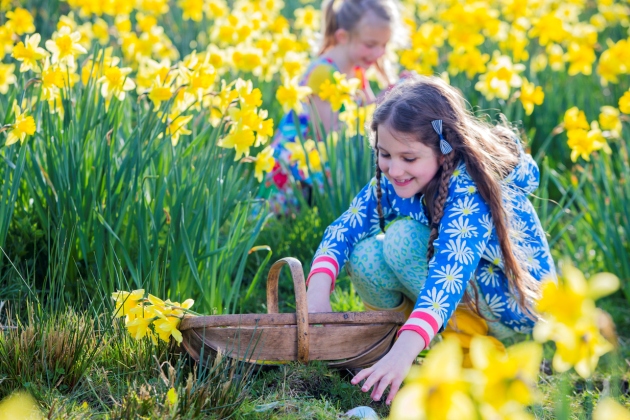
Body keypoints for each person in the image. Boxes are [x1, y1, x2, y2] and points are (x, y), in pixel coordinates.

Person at [306, 75, 556, 404]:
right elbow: (347, 225)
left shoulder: (469, 189)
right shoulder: (400, 177)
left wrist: (411, 344)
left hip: (512, 310)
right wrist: (317, 291)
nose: (394, 169)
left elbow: (448, 275)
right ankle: (383, 350)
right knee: (366, 253)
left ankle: (471, 357)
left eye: (408, 158)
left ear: (444, 150)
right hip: (470, 296)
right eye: (385, 154)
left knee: (400, 240)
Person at [264, 0, 403, 214]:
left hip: (317, 165)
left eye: (383, 45)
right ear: (342, 37)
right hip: (294, 168)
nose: (378, 54)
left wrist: (394, 96)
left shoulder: (356, 71)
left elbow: (370, 117)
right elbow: (329, 135)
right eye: (370, 44)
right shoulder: (323, 74)